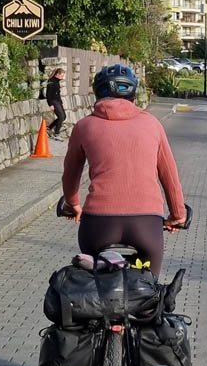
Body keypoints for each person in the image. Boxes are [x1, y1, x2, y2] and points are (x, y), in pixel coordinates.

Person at [61, 64, 187, 275]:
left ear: (97, 96)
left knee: (94, 284)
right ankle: (149, 306)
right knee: (150, 289)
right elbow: (170, 177)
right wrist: (177, 215)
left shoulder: (84, 126)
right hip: (146, 224)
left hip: (98, 226)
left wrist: (72, 204)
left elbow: (70, 175)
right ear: (134, 97)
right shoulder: (153, 124)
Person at [45, 68, 66, 139]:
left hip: (58, 101)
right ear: (57, 74)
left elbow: (58, 94)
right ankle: (56, 134)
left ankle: (48, 128)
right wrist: (50, 104)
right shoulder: (51, 82)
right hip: (53, 101)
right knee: (61, 117)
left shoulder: (57, 81)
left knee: (64, 117)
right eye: (61, 76)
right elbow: (48, 94)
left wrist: (61, 102)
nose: (62, 77)